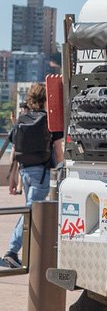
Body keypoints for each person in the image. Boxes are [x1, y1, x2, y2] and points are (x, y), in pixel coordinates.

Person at [3, 82, 63, 269]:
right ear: (47, 99)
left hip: (25, 171)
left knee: (30, 212)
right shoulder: (50, 121)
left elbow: (14, 150)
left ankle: (29, 253)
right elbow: (58, 151)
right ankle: (12, 251)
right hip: (42, 173)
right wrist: (62, 168)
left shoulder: (22, 118)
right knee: (31, 212)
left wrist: (12, 177)